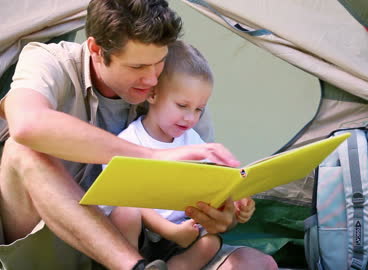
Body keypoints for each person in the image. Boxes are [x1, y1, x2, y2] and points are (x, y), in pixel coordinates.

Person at [0, 0, 277, 269]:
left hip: (152, 242)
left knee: (257, 264)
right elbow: (26, 123)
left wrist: (221, 217)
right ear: (96, 49)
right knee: (21, 148)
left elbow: (206, 192)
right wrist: (154, 156)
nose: (153, 79)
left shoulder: (171, 82)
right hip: (54, 239)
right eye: (137, 68)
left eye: (159, 63)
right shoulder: (50, 60)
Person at [102, 40, 255, 270]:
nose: (191, 118)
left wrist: (238, 201)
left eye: (198, 109)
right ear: (152, 94)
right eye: (182, 105)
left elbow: (214, 181)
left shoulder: (193, 140)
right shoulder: (129, 141)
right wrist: (168, 230)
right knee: (125, 213)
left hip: (182, 231)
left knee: (210, 242)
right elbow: (125, 198)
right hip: (141, 235)